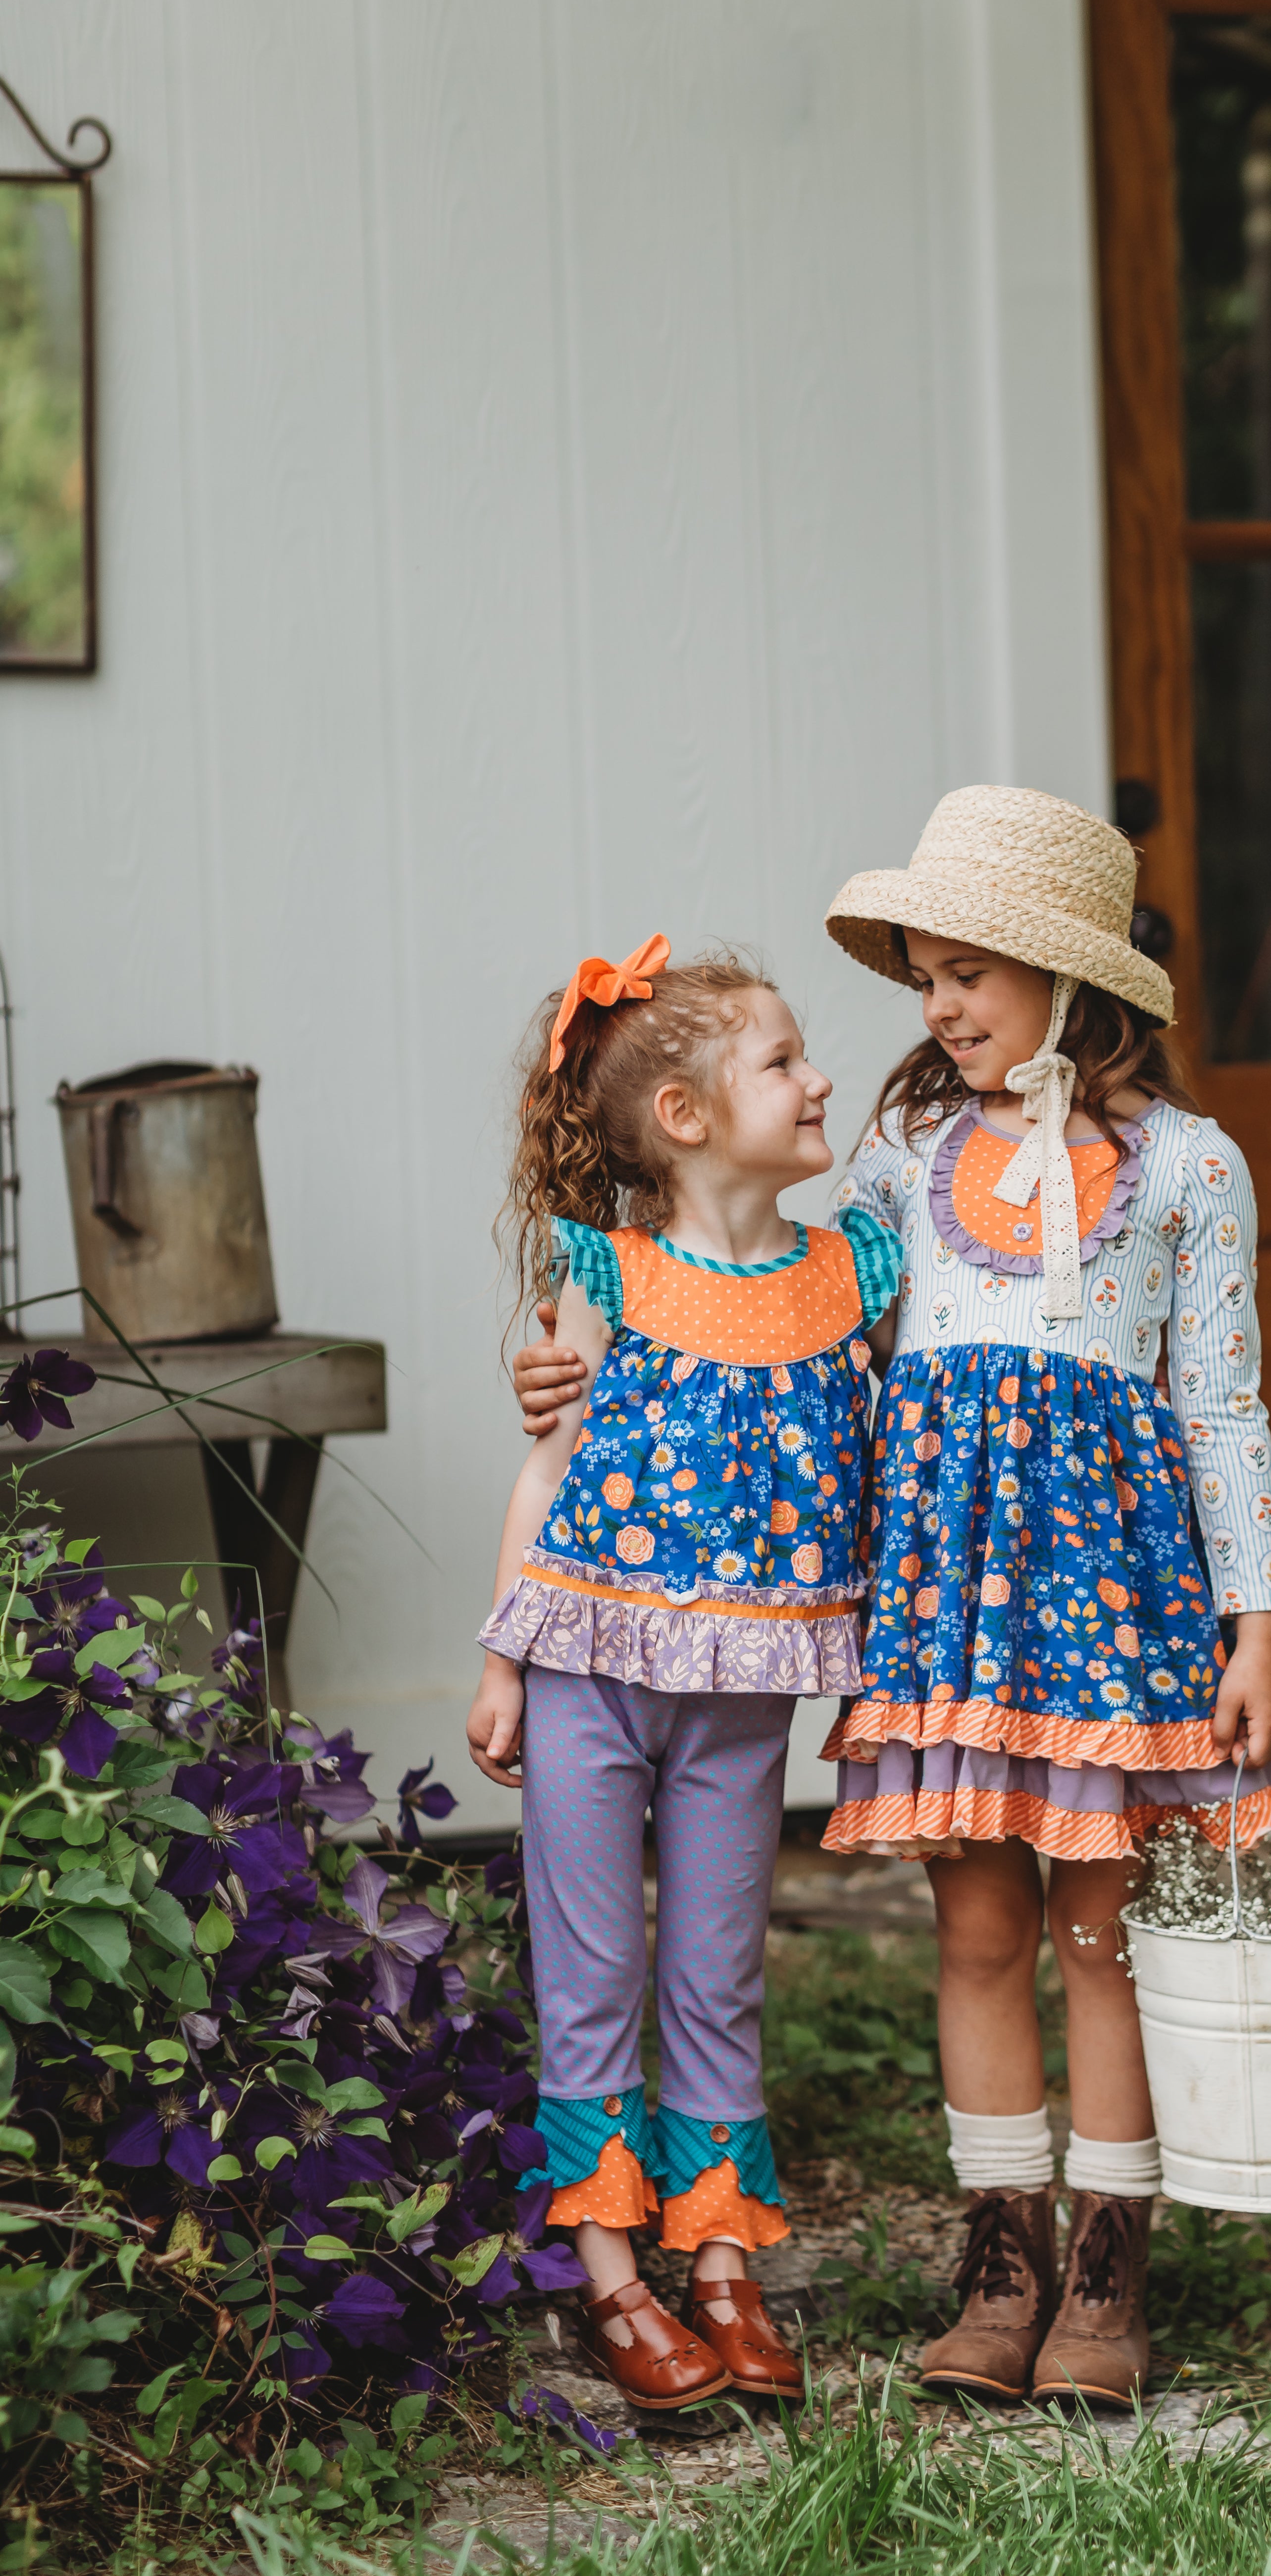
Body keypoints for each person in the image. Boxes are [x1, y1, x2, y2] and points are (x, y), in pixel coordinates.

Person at [512, 794, 1271, 2412]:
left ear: (1075, 980)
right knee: (981, 1928)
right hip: (946, 1620)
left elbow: (1222, 1404)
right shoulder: (904, 1161)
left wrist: (1261, 1619)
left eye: (967, 973)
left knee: (1102, 1937)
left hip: (1117, 1617)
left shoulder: (1189, 1172)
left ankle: (1108, 2262)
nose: (933, 1007)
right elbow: (757, 1286)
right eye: (925, 975)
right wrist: (581, 1351)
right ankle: (998, 2251)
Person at [469, 937, 899, 2413]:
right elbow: (550, 1469)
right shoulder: (606, 1273)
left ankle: (721, 2257)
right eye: (783, 1059)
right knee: (593, 1972)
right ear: (687, 1116)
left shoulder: (851, 1271)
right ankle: (611, 2273)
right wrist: (504, 1656)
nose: (818, 1075)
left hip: (744, 1693)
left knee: (718, 1973)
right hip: (587, 1667)